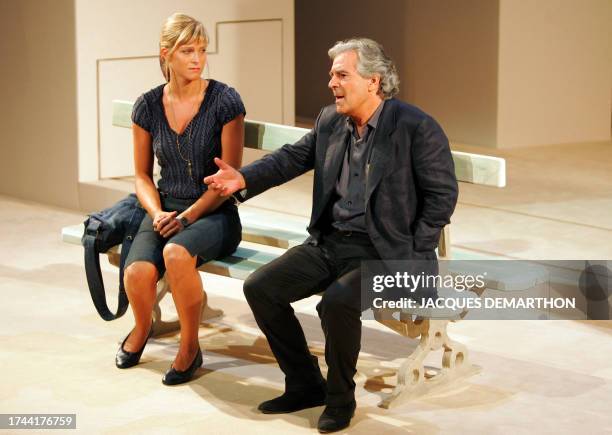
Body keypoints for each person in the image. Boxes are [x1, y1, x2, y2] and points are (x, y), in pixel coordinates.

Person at [205, 38, 458, 432]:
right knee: (261, 288)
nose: (332, 83)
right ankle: (306, 384)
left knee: (338, 302)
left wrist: (414, 250)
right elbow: (290, 158)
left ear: (373, 82)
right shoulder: (330, 121)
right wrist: (243, 178)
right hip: (332, 243)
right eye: (331, 75)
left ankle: (341, 399)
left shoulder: (415, 127)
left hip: (387, 254)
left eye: (342, 75)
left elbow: (442, 196)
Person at [117, 13, 245, 386]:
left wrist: (186, 217)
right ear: (166, 54)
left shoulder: (225, 101)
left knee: (175, 254)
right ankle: (142, 329)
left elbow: (229, 179)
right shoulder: (147, 106)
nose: (197, 59)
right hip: (165, 207)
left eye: (202, 50)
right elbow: (141, 175)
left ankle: (190, 348)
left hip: (215, 211)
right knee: (137, 272)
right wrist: (157, 212)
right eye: (187, 50)